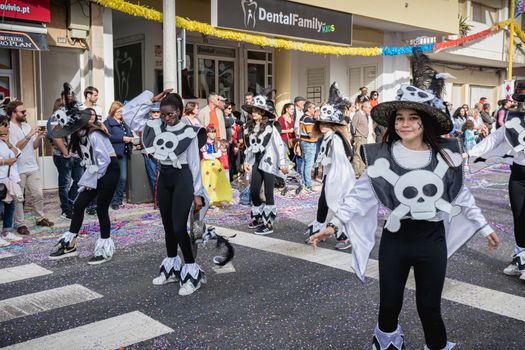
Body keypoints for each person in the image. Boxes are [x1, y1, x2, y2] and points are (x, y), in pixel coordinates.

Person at [309, 50, 499, 350]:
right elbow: (360, 195)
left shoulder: (445, 157)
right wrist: (334, 224)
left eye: (413, 118)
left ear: (426, 122)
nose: (405, 124)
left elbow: (461, 195)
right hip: (396, 240)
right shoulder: (382, 157)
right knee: (389, 306)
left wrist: (484, 227)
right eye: (400, 118)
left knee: (429, 309)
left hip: (431, 241)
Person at [143, 93, 209, 296]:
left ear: (179, 112)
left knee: (179, 227)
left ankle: (191, 271)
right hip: (165, 178)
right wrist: (150, 98)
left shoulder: (189, 132)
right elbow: (131, 115)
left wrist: (197, 193)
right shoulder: (158, 129)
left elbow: (194, 164)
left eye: (169, 114)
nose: (166, 118)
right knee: (168, 227)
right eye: (162, 114)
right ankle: (172, 268)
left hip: (183, 178)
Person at [467, 80, 525, 281]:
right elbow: (494, 139)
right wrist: (470, 153)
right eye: (522, 99)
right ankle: (520, 257)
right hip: (518, 174)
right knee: (519, 215)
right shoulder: (513, 118)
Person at [48, 108, 120, 264]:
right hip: (96, 170)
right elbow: (88, 161)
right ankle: (69, 244)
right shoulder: (78, 137)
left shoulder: (94, 134)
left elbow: (104, 161)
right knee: (79, 204)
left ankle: (104, 248)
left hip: (108, 170)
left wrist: (92, 180)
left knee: (101, 208)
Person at [305, 82, 355, 251]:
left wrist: (334, 181)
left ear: (333, 124)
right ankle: (320, 229)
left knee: (336, 204)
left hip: (338, 177)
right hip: (330, 176)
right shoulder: (327, 138)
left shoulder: (334, 139)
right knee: (323, 203)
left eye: (327, 123)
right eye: (321, 123)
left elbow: (341, 161)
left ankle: (343, 235)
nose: (323, 126)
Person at [243, 88, 288, 235]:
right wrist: (246, 161)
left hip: (269, 162)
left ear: (263, 112)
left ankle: (268, 224)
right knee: (254, 191)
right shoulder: (248, 127)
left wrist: (282, 163)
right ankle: (258, 216)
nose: (254, 113)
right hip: (256, 162)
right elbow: (250, 147)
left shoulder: (271, 127)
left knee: (269, 193)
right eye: (253, 110)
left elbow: (279, 144)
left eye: (257, 111)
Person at [7, 100, 54, 235]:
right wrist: (29, 135)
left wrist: (38, 137)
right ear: (13, 113)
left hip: (32, 165)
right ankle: (20, 224)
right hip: (17, 168)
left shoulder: (26, 125)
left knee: (38, 194)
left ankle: (40, 218)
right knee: (19, 198)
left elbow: (33, 146)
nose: (25, 113)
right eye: (22, 111)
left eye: (25, 110)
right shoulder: (8, 128)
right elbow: (15, 147)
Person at [104, 101, 134, 210]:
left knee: (123, 178)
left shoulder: (124, 122)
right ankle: (114, 201)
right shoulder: (107, 122)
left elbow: (129, 133)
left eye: (121, 112)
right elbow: (107, 137)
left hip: (124, 153)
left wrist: (131, 138)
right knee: (116, 178)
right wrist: (122, 138)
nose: (120, 113)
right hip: (114, 154)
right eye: (118, 111)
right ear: (113, 111)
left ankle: (119, 199)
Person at [0, 115, 22, 246]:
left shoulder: (5, 141)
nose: (7, 127)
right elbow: (9, 160)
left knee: (10, 205)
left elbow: (17, 154)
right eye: (4, 125)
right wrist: (5, 162)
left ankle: (7, 231)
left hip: (9, 179)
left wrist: (8, 142)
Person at [200, 125, 232, 206]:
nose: (213, 134)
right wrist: (213, 155)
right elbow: (205, 156)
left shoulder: (216, 143)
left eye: (214, 132)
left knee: (217, 181)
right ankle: (208, 199)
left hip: (215, 165)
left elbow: (219, 154)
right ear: (207, 134)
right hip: (206, 165)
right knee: (207, 182)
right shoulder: (204, 143)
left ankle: (218, 197)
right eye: (211, 132)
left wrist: (211, 155)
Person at [298, 101, 318, 191]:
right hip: (309, 143)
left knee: (304, 164)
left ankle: (303, 182)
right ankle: (308, 184)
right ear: (309, 109)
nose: (315, 109)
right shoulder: (308, 119)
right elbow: (311, 134)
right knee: (308, 165)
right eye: (313, 108)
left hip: (304, 142)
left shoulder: (303, 118)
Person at [142, 102, 161, 194]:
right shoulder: (147, 124)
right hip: (151, 155)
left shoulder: (164, 123)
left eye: (158, 112)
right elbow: (143, 138)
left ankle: (164, 198)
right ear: (150, 113)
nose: (156, 114)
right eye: (154, 112)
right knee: (154, 177)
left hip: (162, 154)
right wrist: (148, 150)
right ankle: (158, 199)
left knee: (163, 177)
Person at [351, 101, 372, 177]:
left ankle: (361, 172)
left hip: (364, 137)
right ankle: (355, 173)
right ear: (364, 107)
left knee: (363, 155)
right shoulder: (357, 115)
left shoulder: (366, 115)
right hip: (359, 137)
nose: (370, 109)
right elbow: (353, 127)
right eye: (369, 107)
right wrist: (354, 137)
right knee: (357, 155)